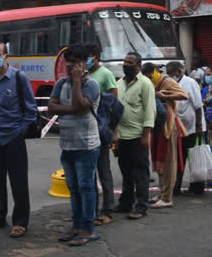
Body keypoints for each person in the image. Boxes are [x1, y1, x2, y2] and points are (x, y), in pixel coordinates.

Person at [0, 41, 37, 238]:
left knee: (18, 182)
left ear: (6, 56)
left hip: (13, 138)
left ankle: (21, 221)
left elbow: (31, 110)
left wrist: (20, 131)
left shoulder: (19, 78)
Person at [48, 44, 101, 246]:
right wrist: (72, 109)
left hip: (87, 146)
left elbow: (80, 106)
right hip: (67, 145)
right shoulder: (61, 83)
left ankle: (88, 228)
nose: (69, 70)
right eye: (67, 66)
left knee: (86, 187)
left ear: (83, 64)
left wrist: (78, 80)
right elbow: (52, 107)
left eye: (73, 66)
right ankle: (76, 226)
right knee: (73, 188)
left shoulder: (91, 84)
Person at [113, 52, 156, 219]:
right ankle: (126, 203)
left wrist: (146, 135)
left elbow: (150, 111)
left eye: (129, 62)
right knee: (126, 172)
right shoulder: (119, 84)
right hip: (122, 136)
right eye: (124, 61)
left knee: (141, 173)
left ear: (138, 65)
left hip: (138, 136)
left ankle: (141, 207)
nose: (125, 64)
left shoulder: (145, 84)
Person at [142, 63, 187, 208]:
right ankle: (162, 193)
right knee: (158, 160)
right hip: (156, 125)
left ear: (154, 72)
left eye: (149, 75)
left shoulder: (167, 81)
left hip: (168, 125)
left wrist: (165, 95)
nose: (148, 78)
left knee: (169, 163)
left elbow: (184, 95)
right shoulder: (149, 82)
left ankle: (167, 198)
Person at [84, 42, 117, 226]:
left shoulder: (105, 74)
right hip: (87, 131)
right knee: (90, 174)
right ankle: (93, 210)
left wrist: (112, 128)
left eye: (87, 58)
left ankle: (108, 210)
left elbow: (115, 103)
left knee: (104, 172)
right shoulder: (86, 75)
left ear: (95, 57)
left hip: (101, 130)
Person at [169, 61, 206, 197]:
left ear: (179, 72)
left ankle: (197, 188)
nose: (170, 76)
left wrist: (199, 126)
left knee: (194, 158)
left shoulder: (190, 83)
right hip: (179, 127)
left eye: (171, 73)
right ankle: (175, 187)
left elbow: (198, 106)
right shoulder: (172, 84)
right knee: (178, 159)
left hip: (193, 128)